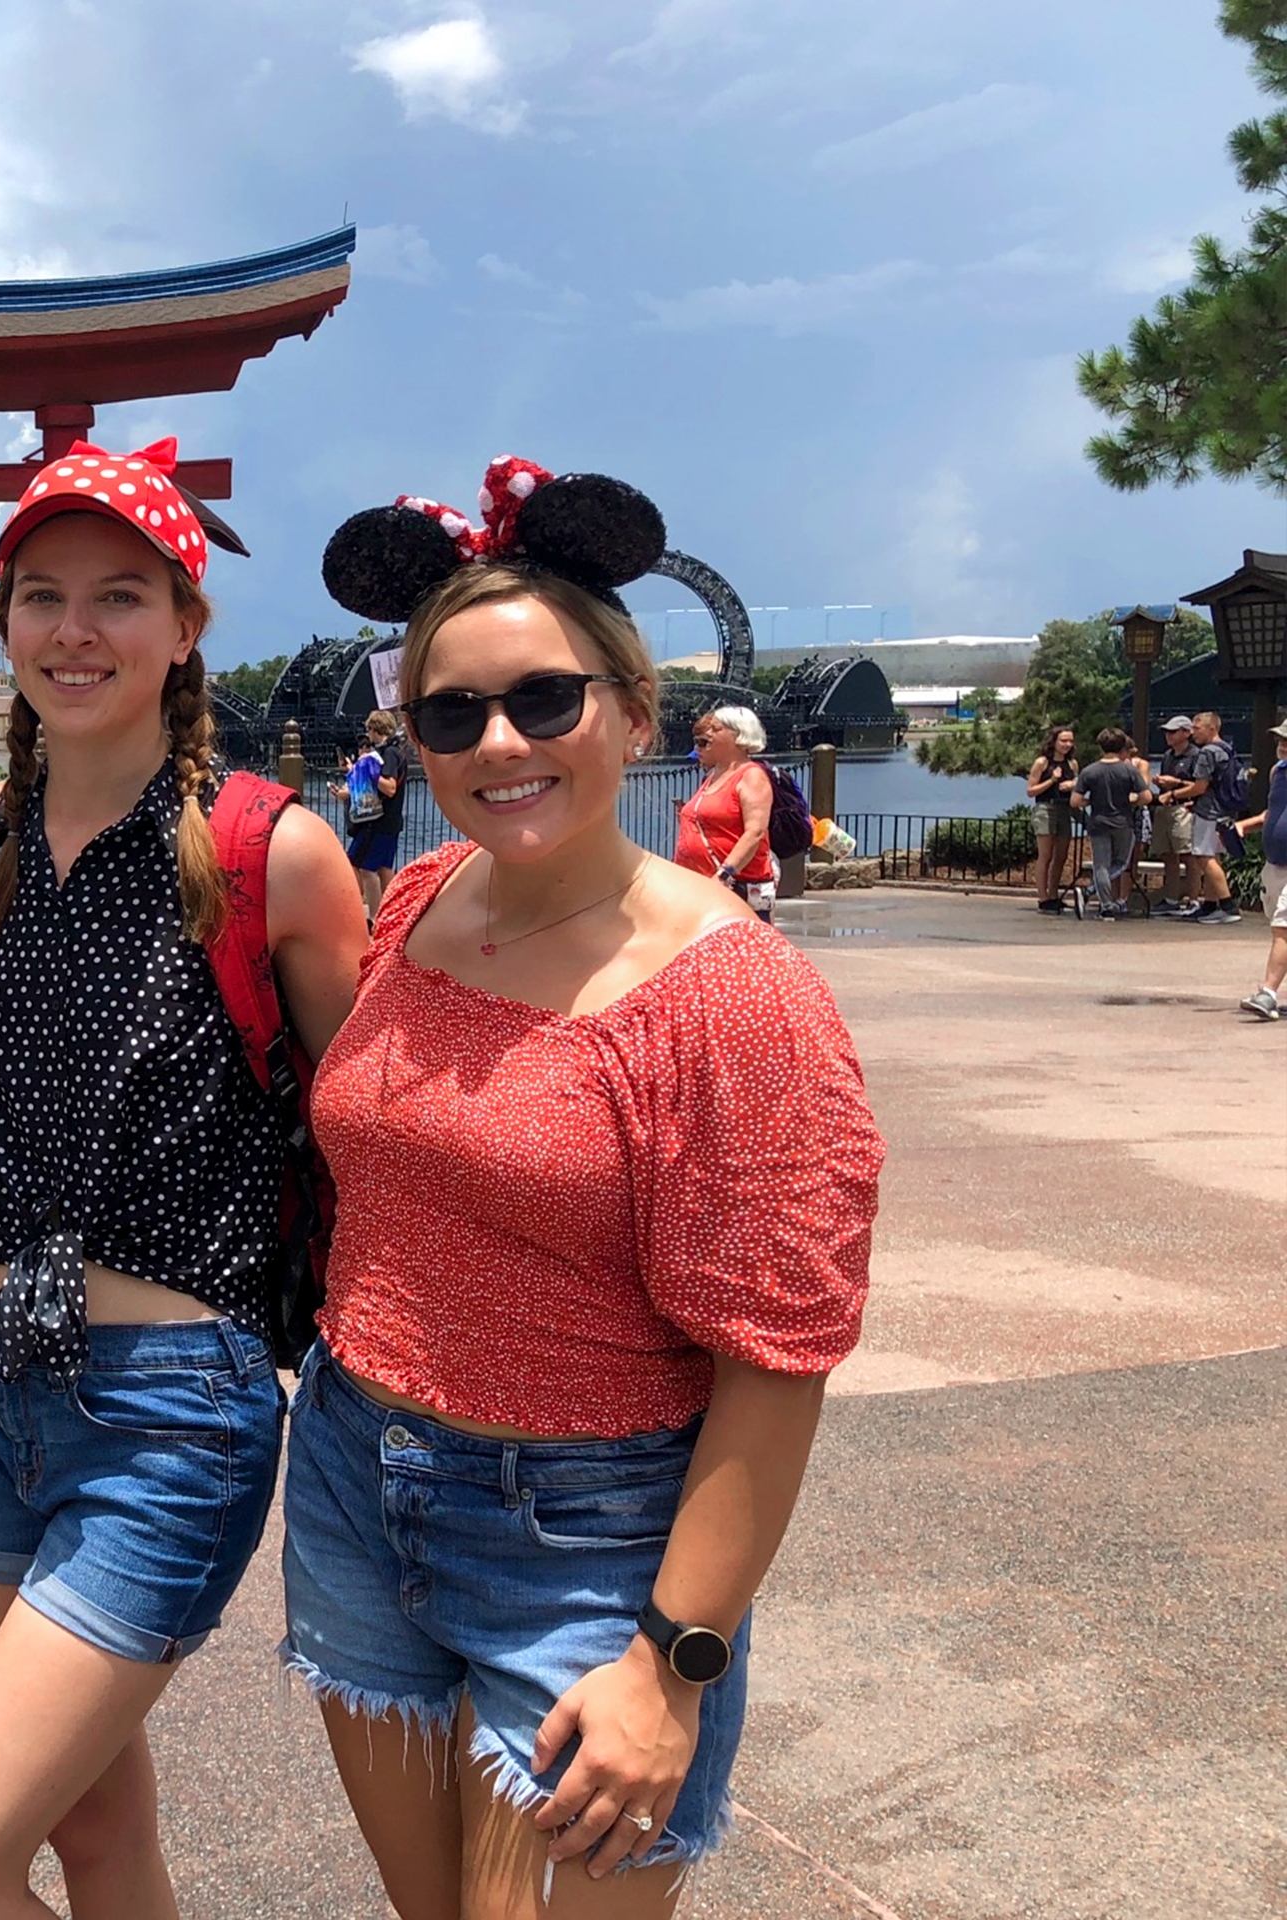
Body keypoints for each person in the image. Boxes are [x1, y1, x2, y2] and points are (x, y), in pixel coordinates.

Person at [290, 463, 884, 1917]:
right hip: (359, 1472)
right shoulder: (422, 903)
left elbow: (775, 1359)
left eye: (543, 701)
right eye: (450, 715)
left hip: (593, 1530)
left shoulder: (726, 996)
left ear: (633, 712)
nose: (499, 742)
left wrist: (677, 1663)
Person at [0, 439, 367, 1920]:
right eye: (40, 597)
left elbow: (365, 1139)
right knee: (94, 1841)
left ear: (186, 625)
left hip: (167, 1403)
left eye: (118, 597)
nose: (73, 632)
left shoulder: (271, 852)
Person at [675, 705, 775, 918]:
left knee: (741, 949)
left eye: (717, 729)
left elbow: (755, 832)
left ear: (737, 735)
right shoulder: (714, 775)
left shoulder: (751, 776)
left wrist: (724, 874)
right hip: (701, 885)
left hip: (734, 886)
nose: (709, 734)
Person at [1165, 711, 1243, 925]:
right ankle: (1210, 905)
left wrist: (1172, 794)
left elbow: (1200, 786)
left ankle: (1228, 906)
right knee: (1213, 856)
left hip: (1209, 812)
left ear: (1212, 729)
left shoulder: (1207, 752)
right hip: (1225, 810)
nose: (1193, 732)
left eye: (1197, 728)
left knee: (1203, 856)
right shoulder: (1227, 749)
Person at [1071, 729, 1149, 919]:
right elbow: (1146, 796)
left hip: (1098, 821)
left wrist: (1090, 802)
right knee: (1122, 863)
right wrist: (1131, 802)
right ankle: (1090, 892)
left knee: (1101, 865)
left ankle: (1105, 905)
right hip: (1123, 821)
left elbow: (1075, 801)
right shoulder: (1129, 770)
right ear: (1122, 746)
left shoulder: (1089, 771)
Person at [1239, 719, 1287, 1020]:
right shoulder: (1277, 772)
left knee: (1283, 929)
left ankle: (1268, 993)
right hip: (1275, 863)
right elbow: (1273, 812)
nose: (1283, 743)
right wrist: (1245, 825)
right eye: (1281, 738)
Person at [345, 709, 405, 920]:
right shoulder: (397, 752)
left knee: (364, 868)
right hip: (392, 821)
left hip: (378, 822)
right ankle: (390, 915)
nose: (367, 734)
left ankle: (375, 917)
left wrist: (369, 771)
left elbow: (389, 787)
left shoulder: (388, 754)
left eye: (369, 729)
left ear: (375, 728)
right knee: (384, 868)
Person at [1025, 725, 1081, 911]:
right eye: (1063, 741)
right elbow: (1031, 791)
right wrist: (1052, 781)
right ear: (1054, 742)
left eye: (1070, 741)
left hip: (1065, 808)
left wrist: (1072, 785)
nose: (1067, 744)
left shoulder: (1072, 764)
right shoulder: (1042, 763)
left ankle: (1054, 894)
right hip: (1046, 808)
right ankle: (1043, 897)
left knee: (1062, 855)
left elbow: (1078, 785)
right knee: (1045, 855)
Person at [1153, 716, 1197, 909]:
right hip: (1165, 806)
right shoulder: (1167, 755)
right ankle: (1171, 898)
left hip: (1184, 808)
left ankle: (1194, 900)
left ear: (1187, 733)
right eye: (1167, 732)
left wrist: (1175, 783)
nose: (1168, 736)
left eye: (1173, 731)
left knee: (1187, 855)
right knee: (1168, 855)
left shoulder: (1196, 755)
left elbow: (1201, 785)